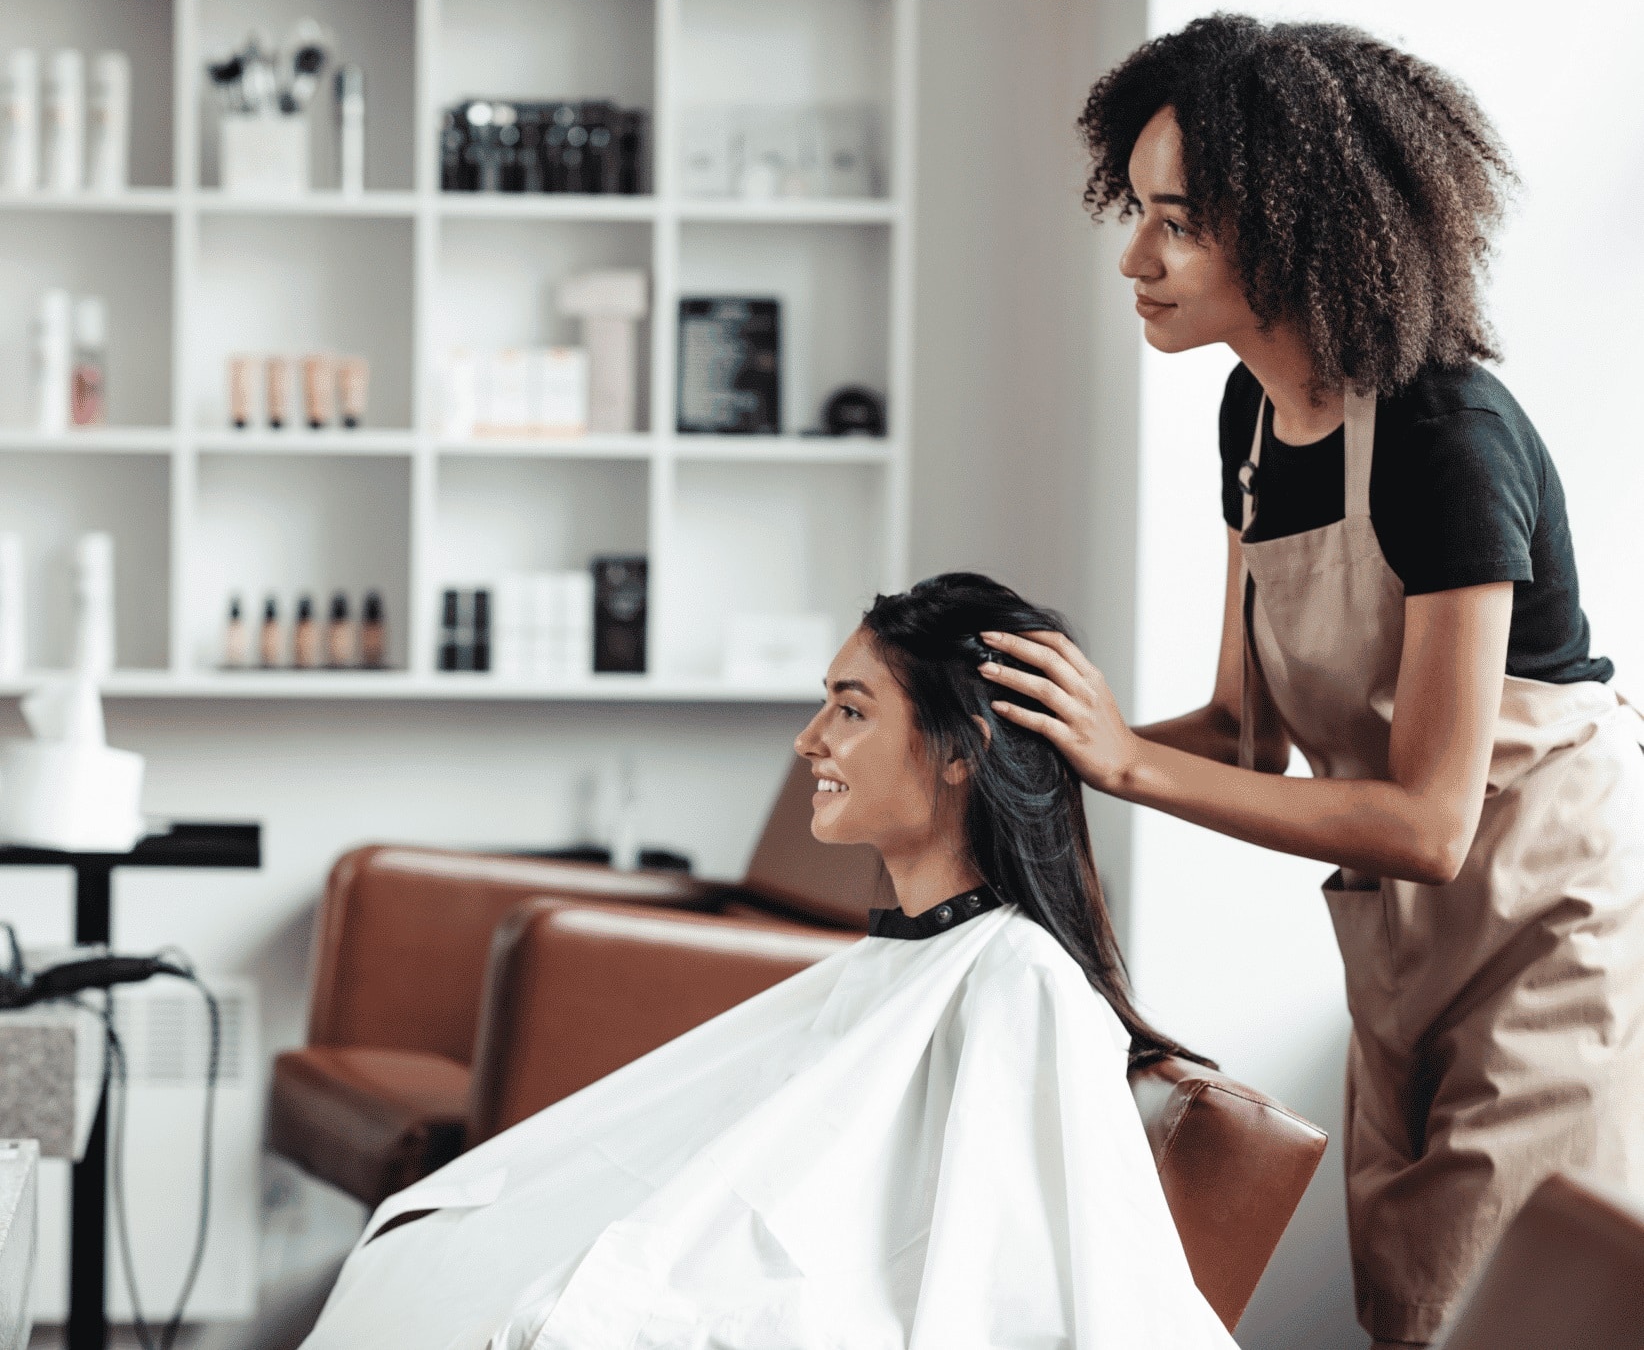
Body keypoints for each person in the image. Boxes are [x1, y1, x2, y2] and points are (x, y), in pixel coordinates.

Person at [976, 14, 1644, 1349]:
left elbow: (1429, 820)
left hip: (1550, 931)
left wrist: (1121, 762)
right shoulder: (1255, 417)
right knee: (1406, 1295)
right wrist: (1024, 747)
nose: (1137, 257)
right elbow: (1242, 732)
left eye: (1179, 222)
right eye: (1139, 210)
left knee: (1495, 1310)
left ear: (1292, 227)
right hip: (1403, 942)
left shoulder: (1451, 437)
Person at [301, 573, 1236, 1349]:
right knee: (433, 1250)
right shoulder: (913, 955)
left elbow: (993, 1290)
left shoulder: (1020, 983)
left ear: (961, 753)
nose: (809, 739)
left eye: (850, 709)